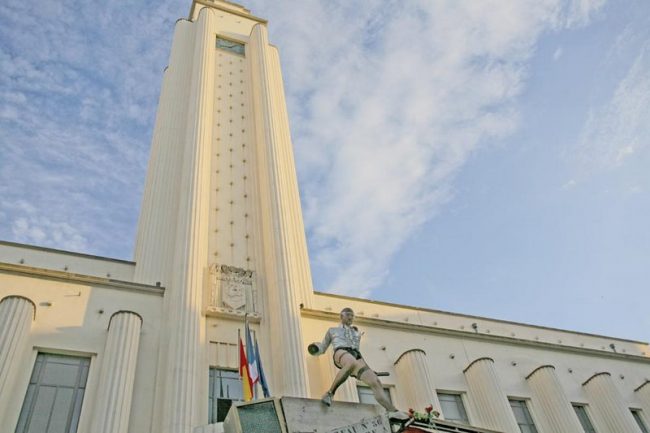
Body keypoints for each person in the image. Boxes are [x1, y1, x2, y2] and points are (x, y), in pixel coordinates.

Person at [308, 307, 410, 423]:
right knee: (351, 362)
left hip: (356, 356)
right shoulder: (332, 331)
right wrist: (315, 348)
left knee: (375, 381)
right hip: (340, 352)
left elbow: (358, 352)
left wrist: (370, 370)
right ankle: (330, 393)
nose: (351, 318)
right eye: (348, 315)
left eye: (352, 316)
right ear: (342, 316)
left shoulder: (356, 333)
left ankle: (392, 411)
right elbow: (323, 347)